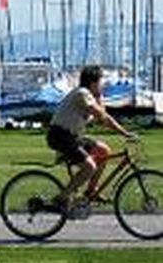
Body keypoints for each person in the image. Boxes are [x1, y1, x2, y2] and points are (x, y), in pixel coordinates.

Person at [47, 65, 137, 213]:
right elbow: (103, 117)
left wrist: (99, 95)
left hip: (72, 137)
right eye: (102, 81)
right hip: (60, 136)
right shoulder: (82, 94)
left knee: (103, 151)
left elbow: (102, 115)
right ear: (93, 83)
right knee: (89, 167)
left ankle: (91, 191)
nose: (104, 84)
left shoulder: (89, 95)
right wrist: (124, 133)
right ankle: (61, 198)